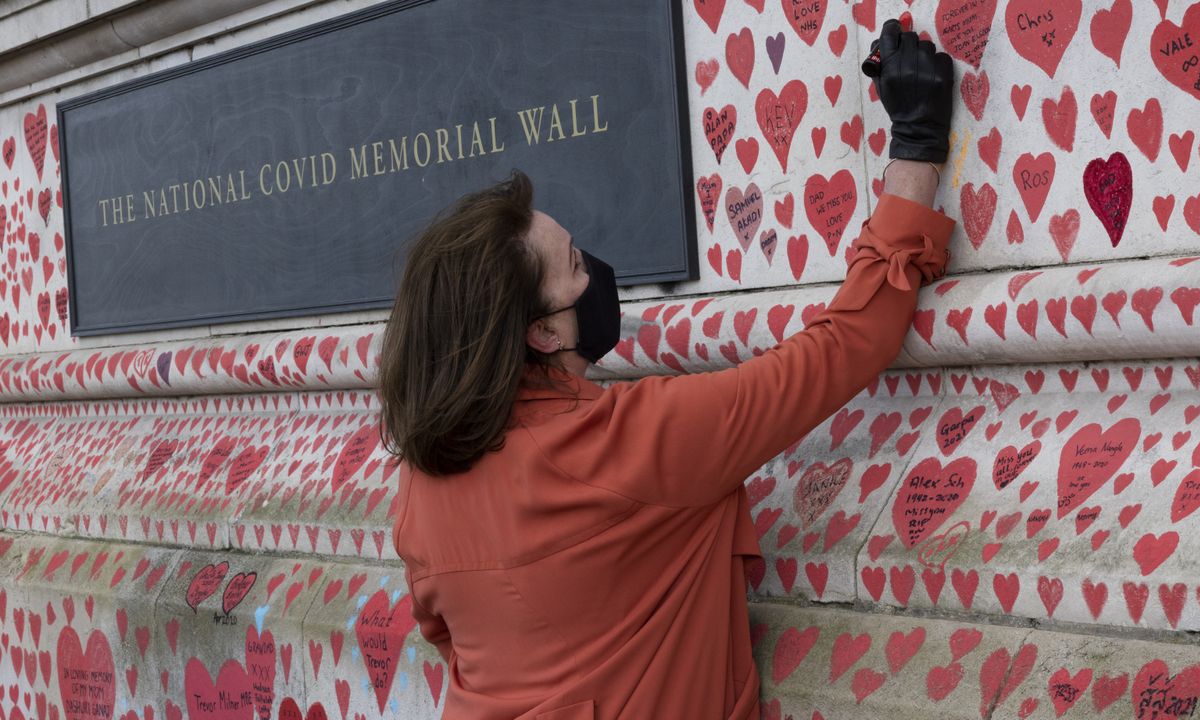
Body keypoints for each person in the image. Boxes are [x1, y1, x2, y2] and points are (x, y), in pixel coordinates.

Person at [380, 19, 955, 720]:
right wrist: (918, 143)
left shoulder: (419, 482)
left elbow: (449, 641)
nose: (596, 270)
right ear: (542, 331)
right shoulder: (640, 441)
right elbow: (847, 344)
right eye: (576, 266)